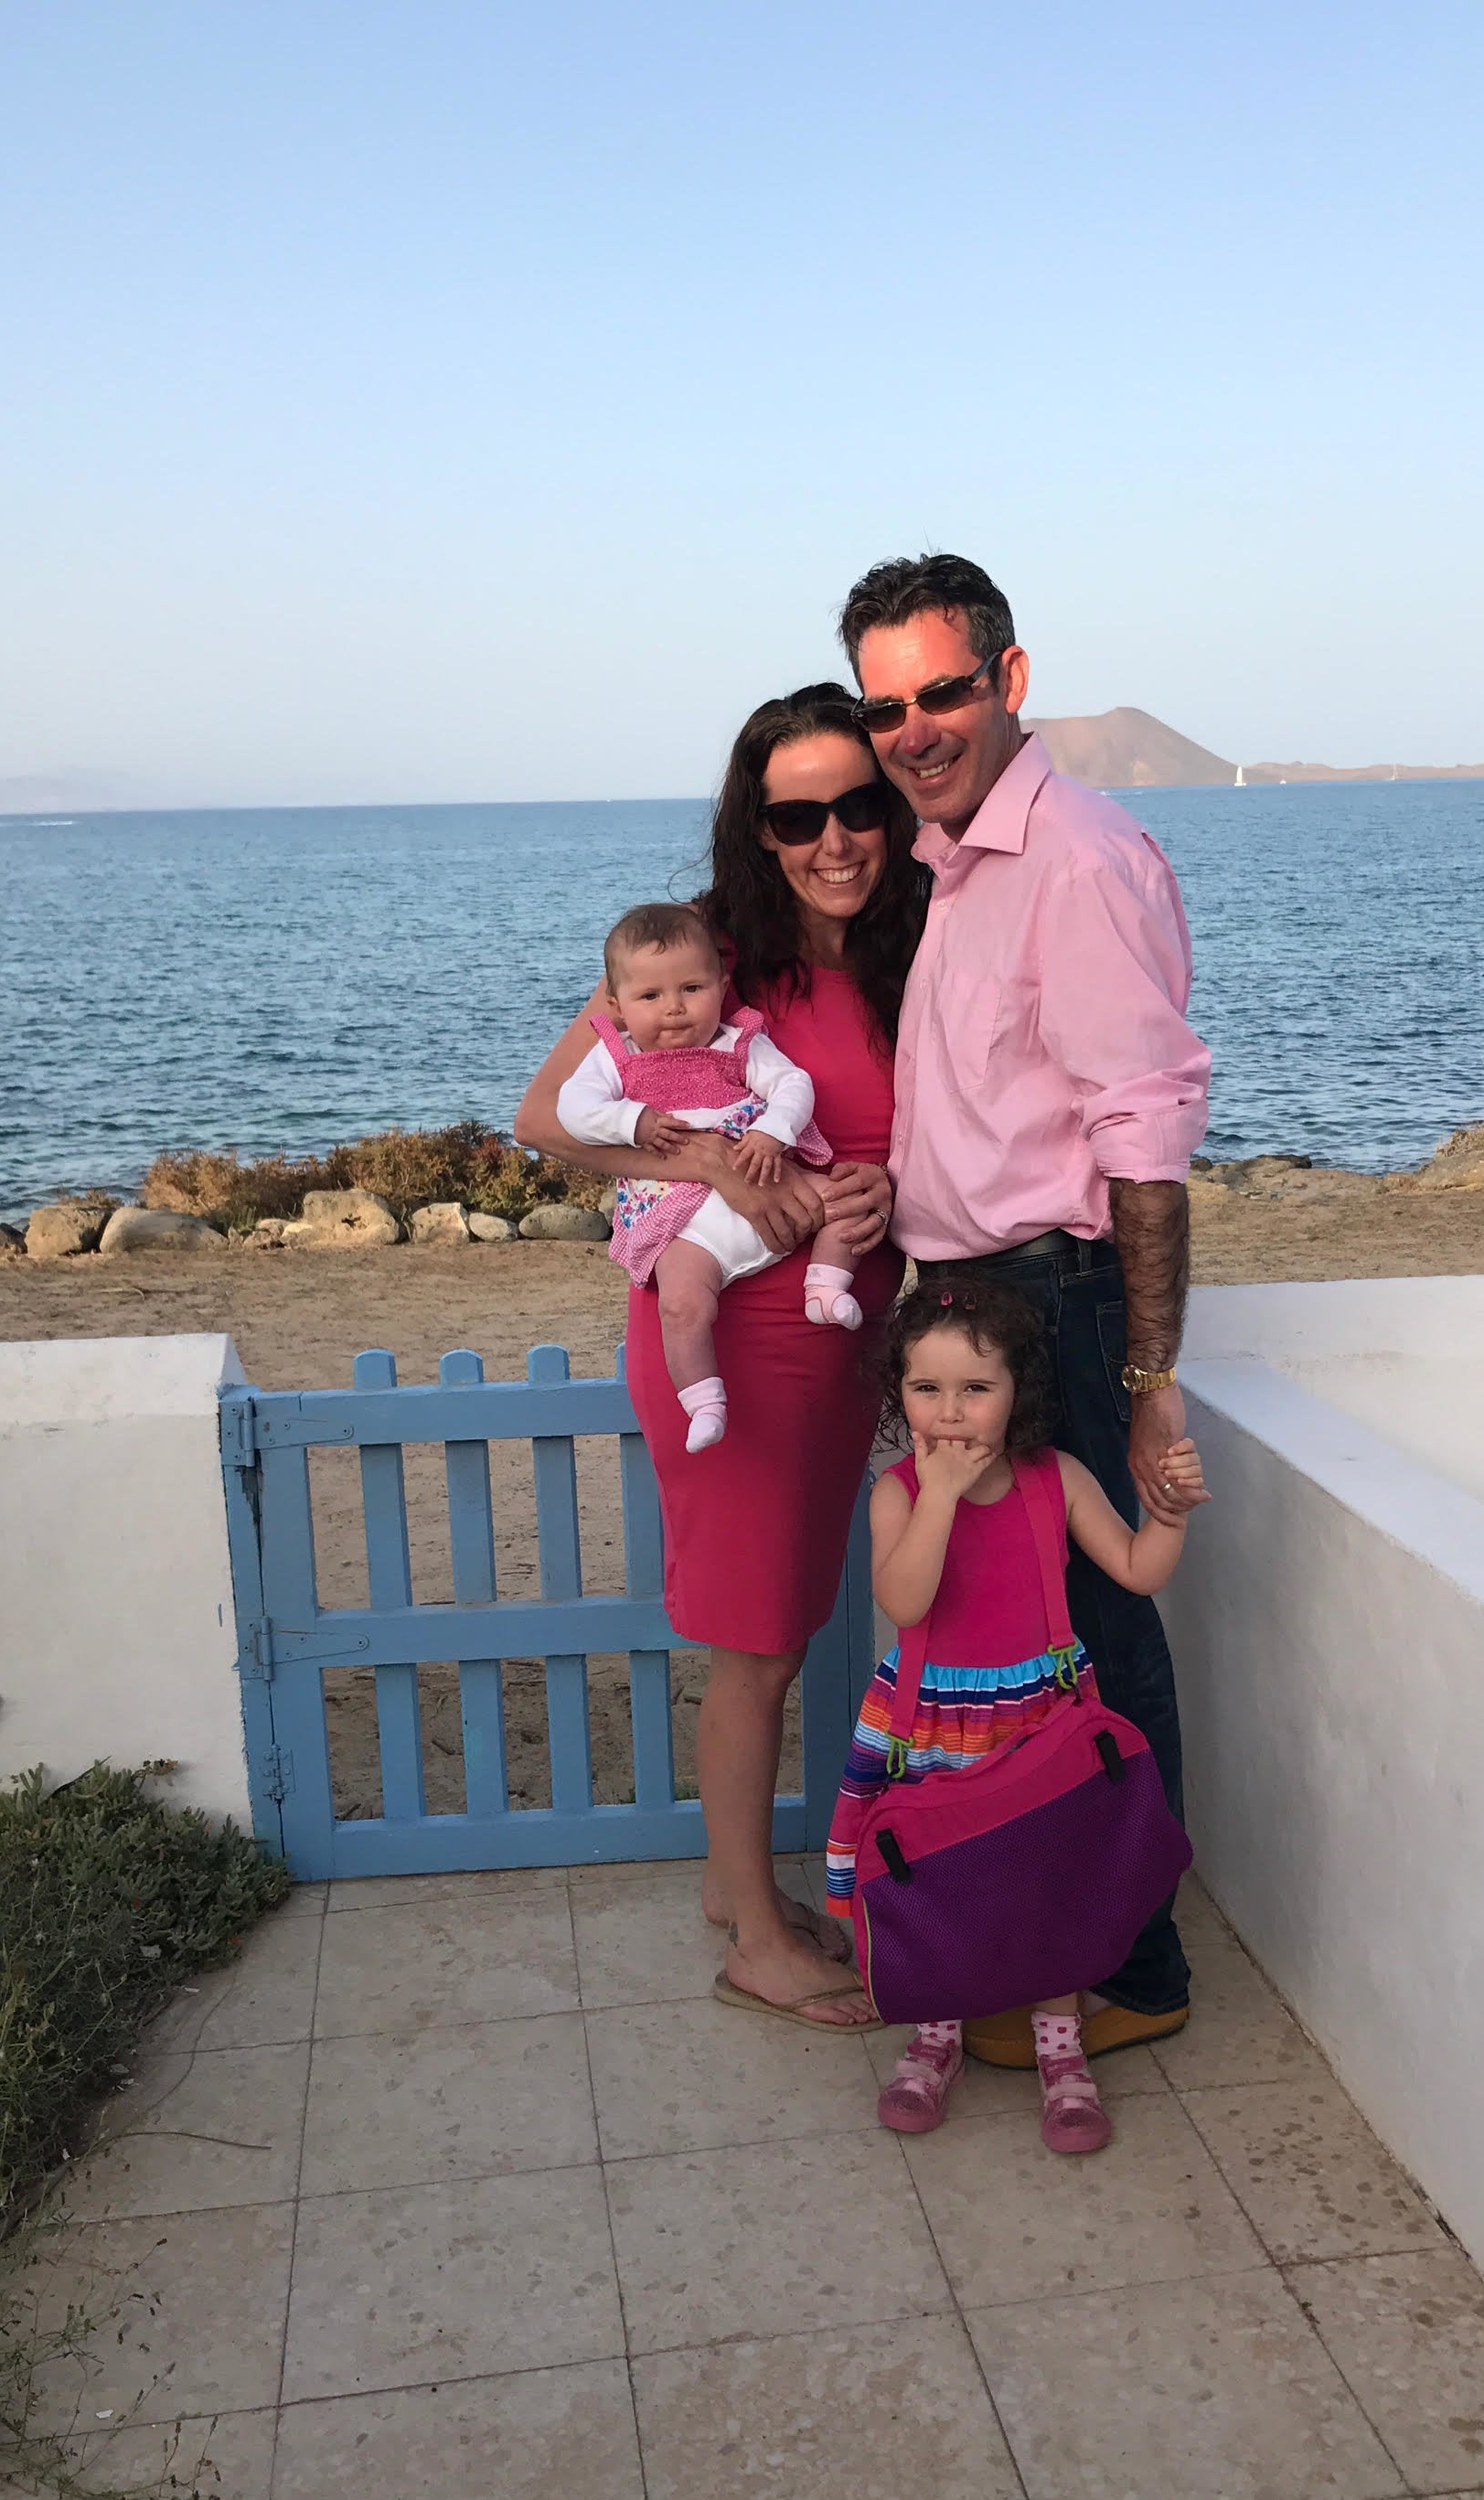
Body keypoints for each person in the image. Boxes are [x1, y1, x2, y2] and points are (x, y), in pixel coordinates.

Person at [839, 551, 1212, 2068]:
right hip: (975, 1300)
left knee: (1101, 1647)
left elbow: (1145, 1137)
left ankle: (1142, 1966)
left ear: (1009, 679)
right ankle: (1057, 1935)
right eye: (888, 707)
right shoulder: (960, 860)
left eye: (941, 692)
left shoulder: (1073, 855)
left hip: (1055, 1303)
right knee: (1027, 1652)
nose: (916, 728)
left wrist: (1147, 1375)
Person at [517, 685, 925, 2026]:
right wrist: (713, 1169)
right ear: (757, 825)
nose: (833, 840)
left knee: (789, 1615)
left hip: (833, 1327)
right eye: (796, 815)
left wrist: (867, 1199)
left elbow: (908, 1146)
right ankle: (753, 1932)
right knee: (751, 1639)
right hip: (724, 1335)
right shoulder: (700, 956)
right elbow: (549, 1117)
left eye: (856, 805)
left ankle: (731, 1885)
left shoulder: (912, 950)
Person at [826, 1279, 1207, 2148]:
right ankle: (936, 2033)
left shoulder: (1055, 1480)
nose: (950, 1413)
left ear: (1017, 1395)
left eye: (976, 1389)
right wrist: (940, 1497)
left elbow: (1140, 1569)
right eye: (927, 1390)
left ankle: (1061, 2048)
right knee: (943, 1873)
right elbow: (906, 1598)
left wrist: (1171, 1514)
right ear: (899, 1396)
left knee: (1047, 1874)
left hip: (1039, 1719)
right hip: (932, 1725)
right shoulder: (896, 1494)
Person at [556, 903, 868, 1454]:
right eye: (650, 997)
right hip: (684, 1221)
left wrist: (775, 1130)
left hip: (765, 1174)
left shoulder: (738, 1043)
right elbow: (571, 1109)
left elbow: (793, 1084)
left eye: (692, 989)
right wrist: (633, 1120)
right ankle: (704, 1401)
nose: (673, 1009)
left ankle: (825, 1283)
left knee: (847, 1204)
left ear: (723, 986)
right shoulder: (615, 1059)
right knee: (681, 1305)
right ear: (618, 1007)